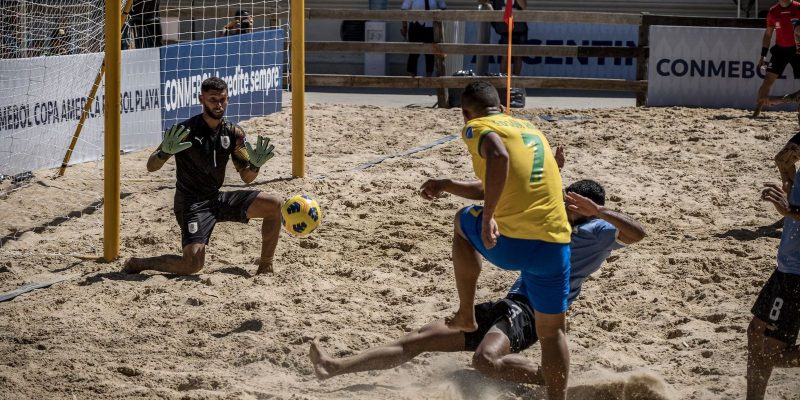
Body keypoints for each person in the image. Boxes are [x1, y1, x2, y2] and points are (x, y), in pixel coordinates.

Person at [310, 178, 645, 386]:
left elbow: (638, 233)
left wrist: (598, 211)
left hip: (535, 312)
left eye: (571, 204)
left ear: (584, 207)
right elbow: (490, 189)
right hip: (511, 304)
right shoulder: (550, 217)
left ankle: (552, 379)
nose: (563, 207)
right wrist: (446, 185)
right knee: (420, 338)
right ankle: (334, 367)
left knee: (485, 360)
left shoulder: (597, 231)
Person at [421, 81, 571, 399]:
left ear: (465, 113)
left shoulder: (477, 127)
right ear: (503, 107)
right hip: (555, 243)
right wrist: (446, 183)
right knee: (553, 333)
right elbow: (495, 183)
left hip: (513, 241)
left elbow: (498, 157)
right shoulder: (531, 129)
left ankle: (466, 313)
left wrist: (488, 216)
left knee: (461, 221)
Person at [123, 77, 282, 276]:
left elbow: (246, 178)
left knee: (274, 204)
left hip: (215, 198)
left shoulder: (234, 133)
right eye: (213, 99)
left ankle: (266, 265)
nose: (219, 105)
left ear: (228, 99)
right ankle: (139, 263)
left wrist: (255, 166)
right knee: (193, 265)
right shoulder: (185, 131)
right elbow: (151, 166)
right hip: (191, 203)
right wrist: (163, 153)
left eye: (222, 99)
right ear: (201, 99)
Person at [747, 134, 800, 400]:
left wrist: (789, 211)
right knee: (756, 334)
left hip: (797, 274)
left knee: (770, 352)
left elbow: (793, 209)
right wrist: (787, 174)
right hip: (787, 266)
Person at [753, 0, 800, 119]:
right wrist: (763, 56)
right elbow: (768, 34)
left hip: (797, 49)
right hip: (780, 50)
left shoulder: (798, 8)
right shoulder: (773, 11)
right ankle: (756, 112)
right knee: (768, 79)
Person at [400, 0, 447, 77]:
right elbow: (404, 9)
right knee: (413, 54)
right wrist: (404, 26)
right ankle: (411, 78)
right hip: (415, 26)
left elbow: (443, 7)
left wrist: (439, 22)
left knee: (430, 54)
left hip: (431, 27)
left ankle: (429, 78)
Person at [489, 0, 528, 76]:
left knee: (518, 56)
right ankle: (503, 79)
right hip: (505, 28)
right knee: (505, 56)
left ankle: (516, 79)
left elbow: (524, 6)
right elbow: (488, 5)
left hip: (520, 27)